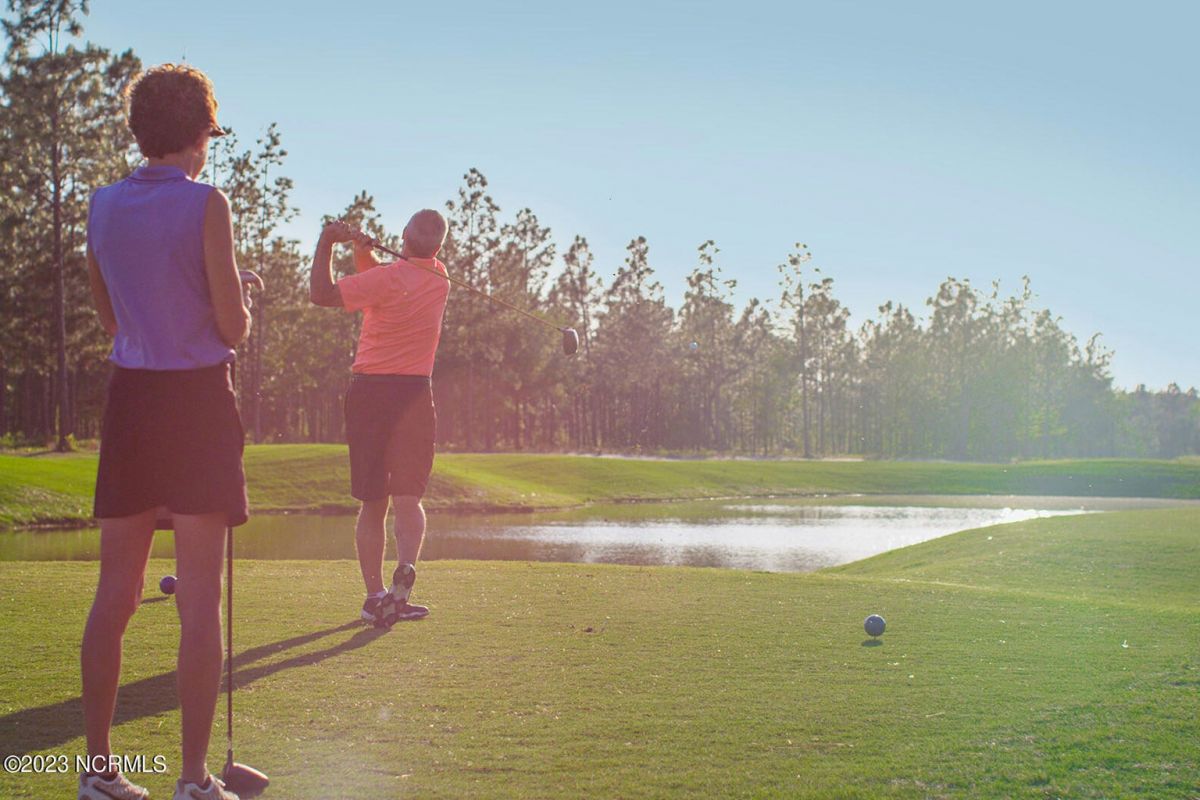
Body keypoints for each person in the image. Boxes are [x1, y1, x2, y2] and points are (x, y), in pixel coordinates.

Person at [82, 64, 251, 800]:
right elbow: (232, 326)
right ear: (198, 133)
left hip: (131, 401)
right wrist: (241, 301)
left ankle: (97, 773)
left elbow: (110, 317)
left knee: (114, 594)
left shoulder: (100, 205)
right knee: (199, 599)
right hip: (197, 403)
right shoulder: (207, 203)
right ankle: (192, 779)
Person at [309, 211, 450, 627]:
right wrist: (363, 253)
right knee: (409, 499)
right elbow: (388, 283)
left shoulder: (385, 280)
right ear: (438, 247)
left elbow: (322, 294)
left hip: (371, 393)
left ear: (403, 235)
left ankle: (374, 598)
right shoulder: (439, 277)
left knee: (373, 502)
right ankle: (403, 584)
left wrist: (327, 242)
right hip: (415, 395)